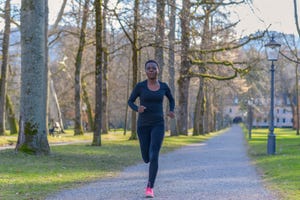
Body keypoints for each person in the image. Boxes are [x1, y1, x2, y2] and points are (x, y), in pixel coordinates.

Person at [128, 60, 175, 198]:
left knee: (154, 155)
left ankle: (150, 187)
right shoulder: (140, 86)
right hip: (143, 125)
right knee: (146, 157)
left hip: (158, 125)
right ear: (145, 71)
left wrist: (171, 110)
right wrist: (138, 108)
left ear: (158, 70)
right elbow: (130, 101)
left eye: (153, 68)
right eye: (148, 68)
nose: (151, 70)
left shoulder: (164, 87)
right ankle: (147, 157)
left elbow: (171, 100)